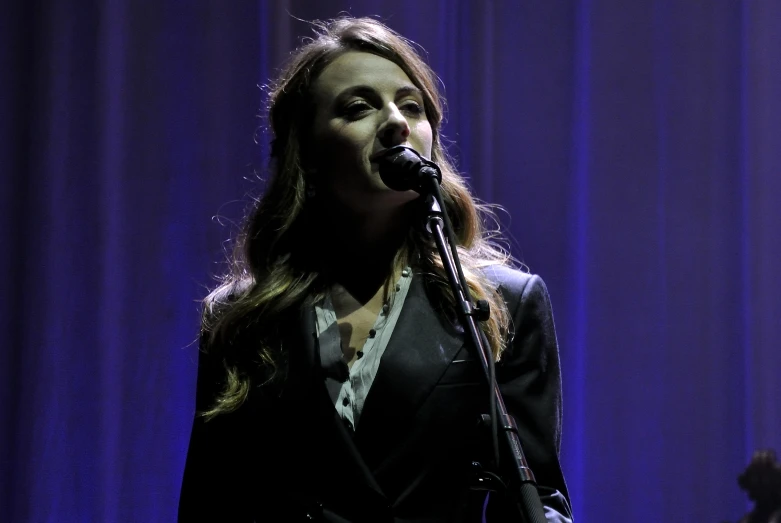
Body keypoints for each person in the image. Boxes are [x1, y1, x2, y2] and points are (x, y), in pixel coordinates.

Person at [178, 16, 573, 523]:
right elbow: (211, 503)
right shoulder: (240, 319)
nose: (396, 122)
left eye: (412, 106)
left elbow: (536, 497)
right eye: (359, 107)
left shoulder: (504, 303)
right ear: (309, 153)